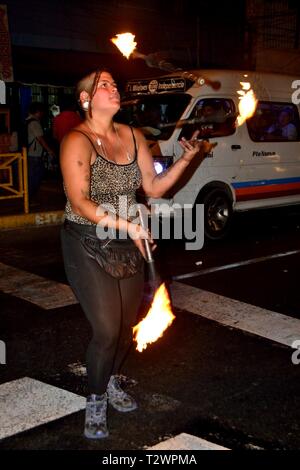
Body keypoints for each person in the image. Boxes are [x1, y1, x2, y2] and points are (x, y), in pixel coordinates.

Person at [60, 69, 213, 440]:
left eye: (114, 83)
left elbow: (154, 187)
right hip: (86, 240)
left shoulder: (133, 135)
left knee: (127, 327)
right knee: (107, 329)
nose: (114, 88)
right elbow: (80, 202)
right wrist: (129, 225)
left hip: (128, 241)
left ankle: (110, 380)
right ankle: (95, 400)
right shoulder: (76, 141)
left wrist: (185, 160)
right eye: (103, 85)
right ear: (85, 100)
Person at [25, 102, 56, 200]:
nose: (42, 115)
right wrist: (50, 150)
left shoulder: (27, 121)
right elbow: (40, 139)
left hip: (28, 152)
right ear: (38, 112)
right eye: (41, 112)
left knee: (31, 176)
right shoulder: (34, 123)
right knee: (36, 176)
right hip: (34, 154)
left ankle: (28, 198)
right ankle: (29, 198)